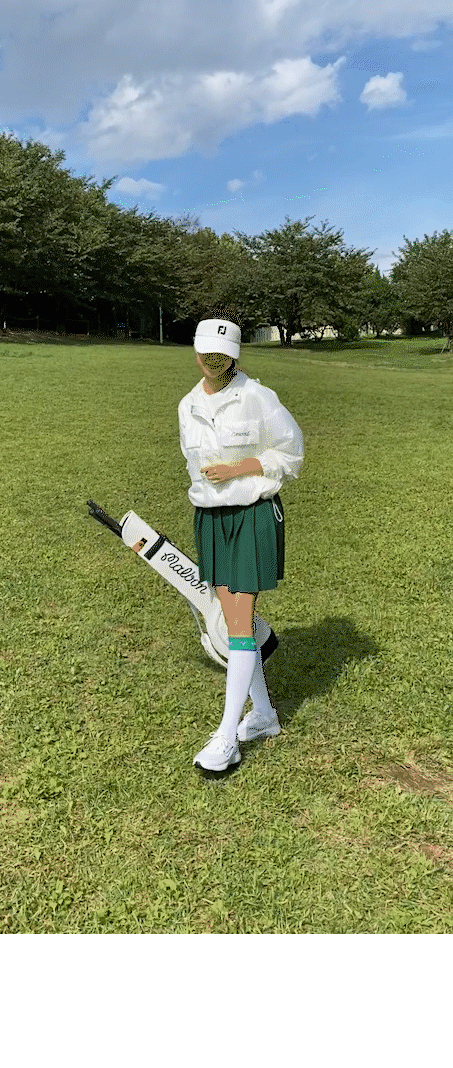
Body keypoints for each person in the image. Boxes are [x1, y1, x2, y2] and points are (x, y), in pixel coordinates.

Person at [178, 319, 304, 774]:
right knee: (236, 625)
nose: (212, 362)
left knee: (238, 626)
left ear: (234, 356)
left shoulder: (258, 397)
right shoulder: (188, 405)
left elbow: (291, 453)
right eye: (206, 354)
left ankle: (227, 736)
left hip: (251, 515)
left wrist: (237, 469)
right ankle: (264, 715)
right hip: (211, 519)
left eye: (221, 355)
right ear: (197, 353)